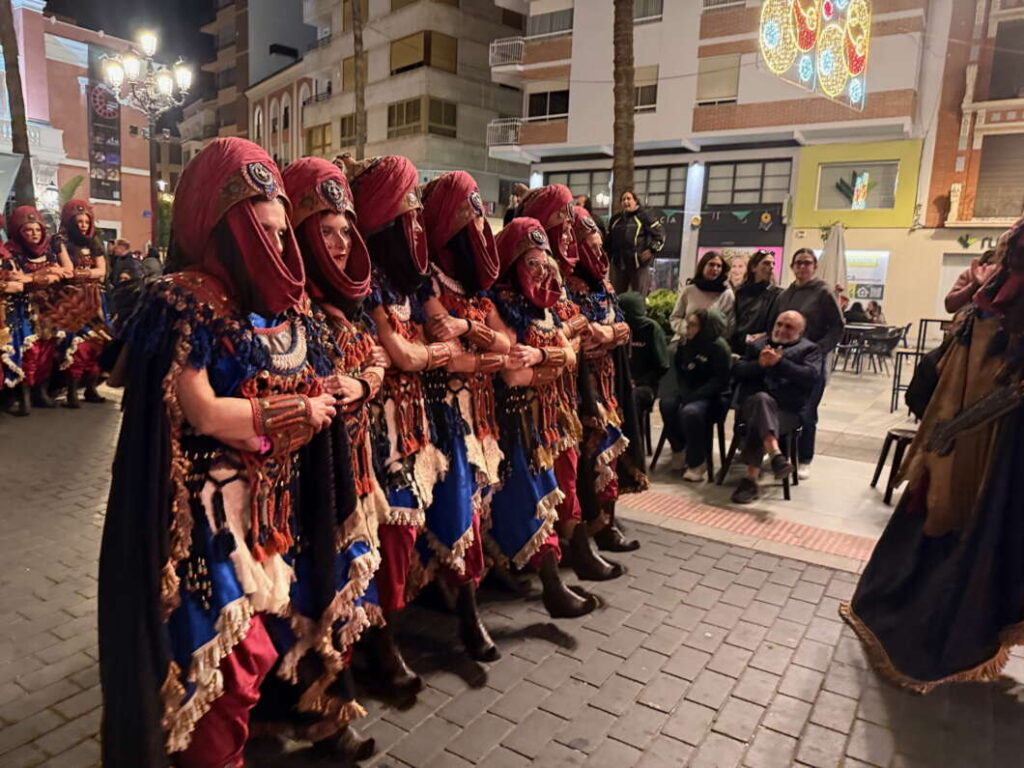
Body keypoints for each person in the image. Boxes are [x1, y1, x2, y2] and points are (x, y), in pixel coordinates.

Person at [97, 138, 378, 768]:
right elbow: (200, 409)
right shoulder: (182, 300)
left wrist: (348, 388)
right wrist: (294, 412)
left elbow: (330, 370)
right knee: (226, 659)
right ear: (222, 226)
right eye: (265, 232)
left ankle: (313, 721)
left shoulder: (290, 306)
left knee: (297, 625)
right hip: (207, 521)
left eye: (283, 234)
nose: (279, 247)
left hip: (278, 513)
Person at [840, 216, 1024, 694]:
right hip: (961, 421)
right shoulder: (996, 280)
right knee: (940, 515)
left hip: (993, 439)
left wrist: (958, 426)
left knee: (985, 528)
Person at [339, 155, 500, 667]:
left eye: (417, 216)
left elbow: (427, 342)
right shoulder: (365, 284)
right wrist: (436, 354)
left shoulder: (415, 281)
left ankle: (463, 610)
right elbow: (410, 353)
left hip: (425, 421)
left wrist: (446, 347)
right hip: (379, 433)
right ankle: (382, 639)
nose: (413, 226)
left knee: (460, 513)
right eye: (403, 216)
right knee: (392, 532)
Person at [281, 156, 393, 714]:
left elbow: (376, 359)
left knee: (355, 567)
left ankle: (347, 670)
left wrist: (364, 384)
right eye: (326, 233)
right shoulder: (284, 308)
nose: (341, 243)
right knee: (315, 579)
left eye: (346, 232)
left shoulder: (348, 304)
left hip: (356, 462)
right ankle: (319, 692)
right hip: (307, 475)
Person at [418, 169, 514, 658]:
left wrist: (468, 328)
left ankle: (456, 598)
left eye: (479, 213)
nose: (476, 221)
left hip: (479, 411)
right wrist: (482, 346)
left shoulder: (476, 283)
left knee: (476, 506)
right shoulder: (427, 278)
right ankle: (466, 614)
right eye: (466, 212)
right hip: (443, 413)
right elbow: (448, 350)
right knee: (458, 510)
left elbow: (508, 343)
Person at [488, 217, 598, 617]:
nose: (540, 271)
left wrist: (541, 356)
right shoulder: (500, 301)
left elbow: (572, 354)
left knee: (556, 487)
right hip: (516, 419)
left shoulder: (549, 305)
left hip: (550, 414)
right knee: (529, 498)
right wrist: (552, 359)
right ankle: (551, 583)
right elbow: (514, 374)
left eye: (544, 262)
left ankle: (561, 565)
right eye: (530, 263)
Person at [523, 186, 625, 579]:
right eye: (561, 229)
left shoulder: (570, 281)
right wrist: (568, 340)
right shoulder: (527, 276)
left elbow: (613, 327)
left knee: (575, 467)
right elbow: (532, 339)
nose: (568, 240)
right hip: (534, 401)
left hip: (571, 392)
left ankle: (583, 541)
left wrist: (577, 335)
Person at [567, 204, 648, 554]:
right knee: (584, 456)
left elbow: (625, 327)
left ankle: (606, 524)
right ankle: (583, 532)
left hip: (608, 383)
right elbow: (577, 334)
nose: (596, 250)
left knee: (610, 455)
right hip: (575, 387)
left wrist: (608, 332)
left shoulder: (603, 284)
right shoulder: (562, 281)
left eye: (599, 243)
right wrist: (599, 333)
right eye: (588, 241)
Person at [730, 311, 821, 504]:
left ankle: (750, 480)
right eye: (779, 324)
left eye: (789, 327)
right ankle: (775, 455)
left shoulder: (809, 350)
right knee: (761, 401)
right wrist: (760, 364)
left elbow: (810, 378)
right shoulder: (757, 345)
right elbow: (737, 371)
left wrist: (780, 363)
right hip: (752, 407)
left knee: (760, 414)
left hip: (786, 412)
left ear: (800, 331)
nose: (781, 329)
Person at [770, 248, 844, 478]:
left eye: (807, 263)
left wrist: (820, 350)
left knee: (807, 410)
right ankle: (780, 454)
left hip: (811, 362)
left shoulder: (823, 292)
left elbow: (838, 326)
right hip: (786, 359)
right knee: (781, 404)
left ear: (814, 266)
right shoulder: (784, 295)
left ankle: (804, 458)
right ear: (792, 266)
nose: (803, 267)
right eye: (798, 263)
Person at [6, 206, 74, 409]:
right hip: (25, 308)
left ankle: (41, 392)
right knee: (29, 350)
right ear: (19, 231)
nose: (34, 234)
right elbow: (16, 279)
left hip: (49, 306)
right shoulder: (11, 251)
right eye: (28, 230)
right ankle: (24, 395)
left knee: (48, 349)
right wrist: (46, 274)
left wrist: (37, 277)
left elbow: (67, 272)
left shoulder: (50, 248)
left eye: (37, 230)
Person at [660, 309, 732, 480]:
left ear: (705, 328)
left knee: (691, 412)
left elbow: (720, 381)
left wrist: (693, 396)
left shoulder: (719, 347)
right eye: (687, 324)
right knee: (666, 404)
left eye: (692, 325)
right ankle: (679, 448)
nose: (687, 328)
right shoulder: (685, 344)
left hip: (715, 397)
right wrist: (685, 393)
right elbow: (681, 373)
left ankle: (697, 462)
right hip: (690, 391)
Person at [55, 199, 111, 407]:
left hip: (96, 299)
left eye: (86, 222)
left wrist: (83, 274)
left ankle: (91, 388)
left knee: (97, 342)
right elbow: (69, 272)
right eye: (79, 222)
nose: (83, 225)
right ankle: (71, 392)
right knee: (75, 344)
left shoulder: (94, 242)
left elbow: (102, 272)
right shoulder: (61, 241)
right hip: (74, 300)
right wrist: (89, 275)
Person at [619, 291, 669, 416]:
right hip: (621, 382)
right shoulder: (618, 330)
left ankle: (634, 435)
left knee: (631, 397)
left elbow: (662, 366)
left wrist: (638, 382)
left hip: (645, 386)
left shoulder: (651, 329)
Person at [606, 190, 664, 295]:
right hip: (619, 265)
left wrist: (652, 249)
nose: (626, 201)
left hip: (638, 265)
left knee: (639, 298)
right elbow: (609, 241)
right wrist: (608, 257)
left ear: (635, 201)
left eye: (629, 198)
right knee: (616, 298)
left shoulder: (644, 217)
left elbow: (660, 235)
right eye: (623, 199)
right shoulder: (615, 220)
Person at [669, 250, 736, 340]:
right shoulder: (689, 290)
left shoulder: (727, 294)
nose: (715, 269)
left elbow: (730, 324)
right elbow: (675, 317)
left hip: (713, 343)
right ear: (703, 266)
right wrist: (689, 330)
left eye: (719, 266)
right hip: (685, 339)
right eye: (711, 264)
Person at [731, 249, 782, 355]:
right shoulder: (740, 292)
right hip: (738, 345)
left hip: (762, 347)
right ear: (754, 267)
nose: (771, 267)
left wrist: (765, 335)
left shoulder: (777, 294)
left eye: (773, 264)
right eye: (766, 263)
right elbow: (734, 319)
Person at [945, 249, 997, 314]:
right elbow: (950, 305)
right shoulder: (970, 274)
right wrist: (974, 285)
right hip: (972, 320)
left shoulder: (1010, 276)